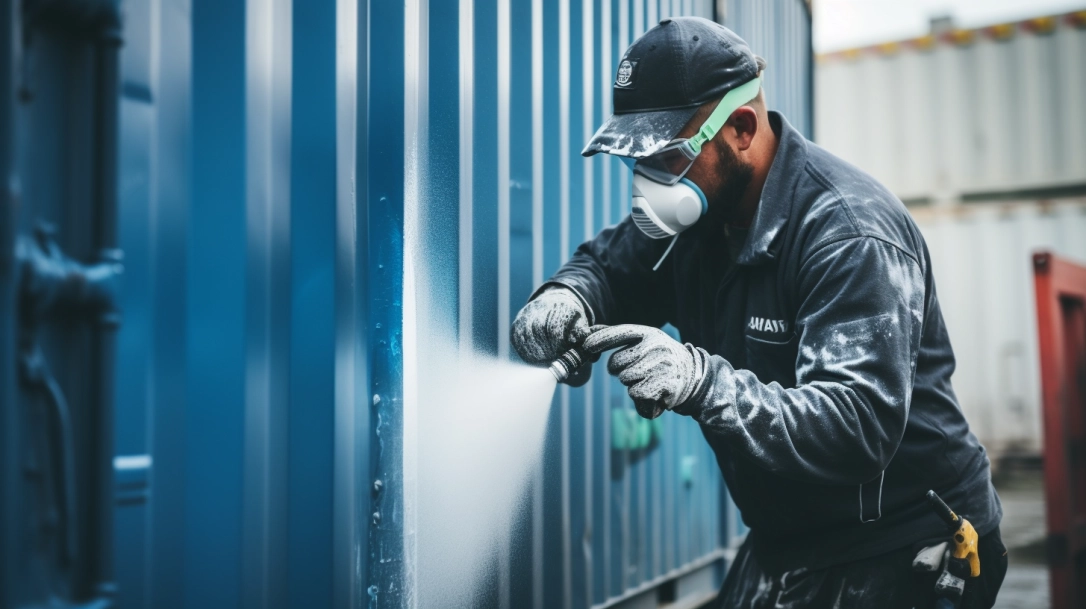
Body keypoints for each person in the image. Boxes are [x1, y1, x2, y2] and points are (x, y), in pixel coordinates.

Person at [510, 16, 1006, 608]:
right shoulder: (695, 218)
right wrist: (568, 296)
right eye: (634, 162)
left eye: (665, 156)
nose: (647, 185)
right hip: (787, 534)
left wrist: (699, 382)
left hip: (903, 542)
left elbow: (856, 426)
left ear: (741, 128)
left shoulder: (848, 232)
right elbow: (610, 266)